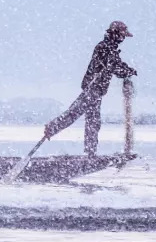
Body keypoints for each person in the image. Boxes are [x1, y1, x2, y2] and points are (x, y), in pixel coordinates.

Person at [44, 21, 137, 156]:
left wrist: (127, 70)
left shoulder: (110, 47)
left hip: (96, 91)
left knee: (93, 122)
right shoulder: (105, 47)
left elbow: (116, 64)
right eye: (122, 35)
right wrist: (126, 71)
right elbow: (114, 66)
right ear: (116, 34)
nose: (123, 39)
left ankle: (90, 153)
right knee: (76, 114)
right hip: (92, 88)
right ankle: (52, 129)